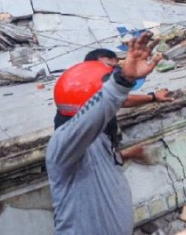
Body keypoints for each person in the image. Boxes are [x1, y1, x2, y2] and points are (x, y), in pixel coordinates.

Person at [46, 33, 162, 235]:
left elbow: (95, 163)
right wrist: (122, 81)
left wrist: (126, 155)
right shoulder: (63, 142)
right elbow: (92, 116)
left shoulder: (97, 138)